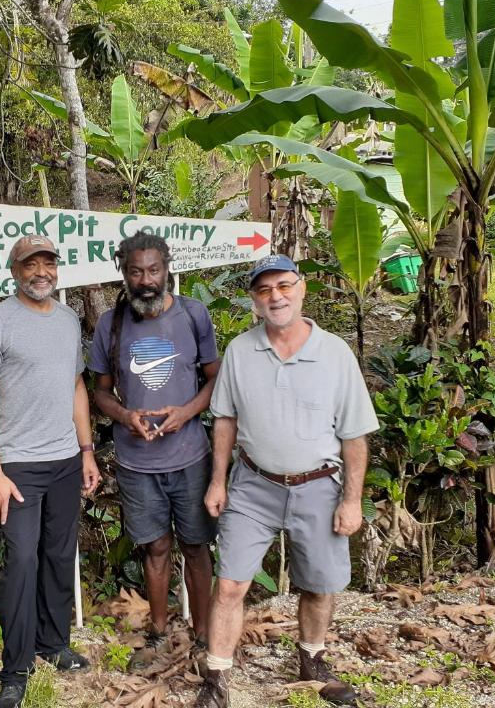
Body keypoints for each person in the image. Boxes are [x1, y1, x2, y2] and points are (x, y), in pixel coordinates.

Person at [195, 254, 379, 708]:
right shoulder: (240, 350)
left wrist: (351, 500)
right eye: (264, 290)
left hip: (319, 485)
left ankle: (311, 660)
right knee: (232, 584)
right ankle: (217, 678)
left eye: (283, 286)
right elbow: (225, 422)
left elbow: (354, 436)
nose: (275, 296)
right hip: (253, 486)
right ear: (255, 301)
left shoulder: (335, 353)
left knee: (318, 584)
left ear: (301, 289)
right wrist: (217, 482)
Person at [0, 235, 101, 708]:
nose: (41, 271)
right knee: (22, 560)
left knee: (60, 554)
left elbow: (76, 387)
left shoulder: (67, 321)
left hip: (65, 461)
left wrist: (86, 450)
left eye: (48, 263)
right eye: (31, 264)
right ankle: (15, 668)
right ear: (15, 270)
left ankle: (54, 643)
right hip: (18, 465)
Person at [89, 233, 220, 668]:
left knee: (197, 546)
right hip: (136, 461)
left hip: (191, 457)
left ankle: (203, 635)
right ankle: (160, 631)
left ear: (167, 268)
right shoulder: (111, 324)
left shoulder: (193, 315)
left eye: (153, 270)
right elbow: (100, 393)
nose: (145, 280)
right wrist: (126, 417)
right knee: (156, 548)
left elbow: (216, 380)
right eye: (135, 271)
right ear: (123, 272)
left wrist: (186, 412)